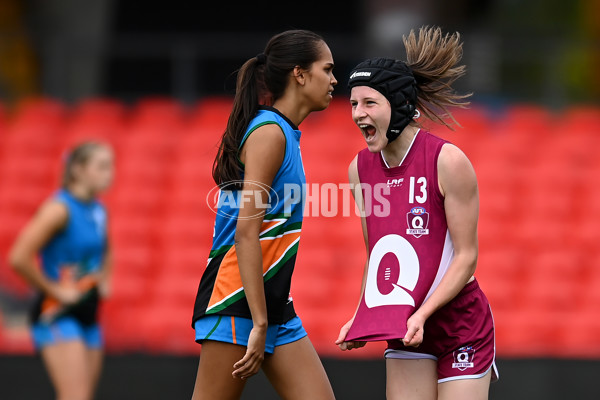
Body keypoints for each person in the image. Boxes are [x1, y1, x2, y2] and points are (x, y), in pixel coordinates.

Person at [335, 26, 499, 400]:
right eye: (353, 104)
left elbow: (467, 257)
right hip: (403, 323)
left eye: (369, 103)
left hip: (460, 325)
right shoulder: (359, 169)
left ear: (400, 104)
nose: (358, 114)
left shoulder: (448, 160)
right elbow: (376, 256)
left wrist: (422, 314)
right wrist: (364, 316)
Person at [191, 29, 337, 400]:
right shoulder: (269, 134)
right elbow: (245, 233)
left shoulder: (286, 133)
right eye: (328, 69)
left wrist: (266, 316)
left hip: (275, 308)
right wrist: (258, 321)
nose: (335, 80)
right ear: (300, 74)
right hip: (235, 302)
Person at [9, 141, 114, 400]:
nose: (110, 173)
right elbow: (18, 257)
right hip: (56, 312)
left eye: (111, 166)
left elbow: (107, 248)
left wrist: (105, 279)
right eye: (102, 166)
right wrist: (55, 289)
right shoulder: (59, 209)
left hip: (88, 311)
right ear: (77, 169)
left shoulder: (98, 210)